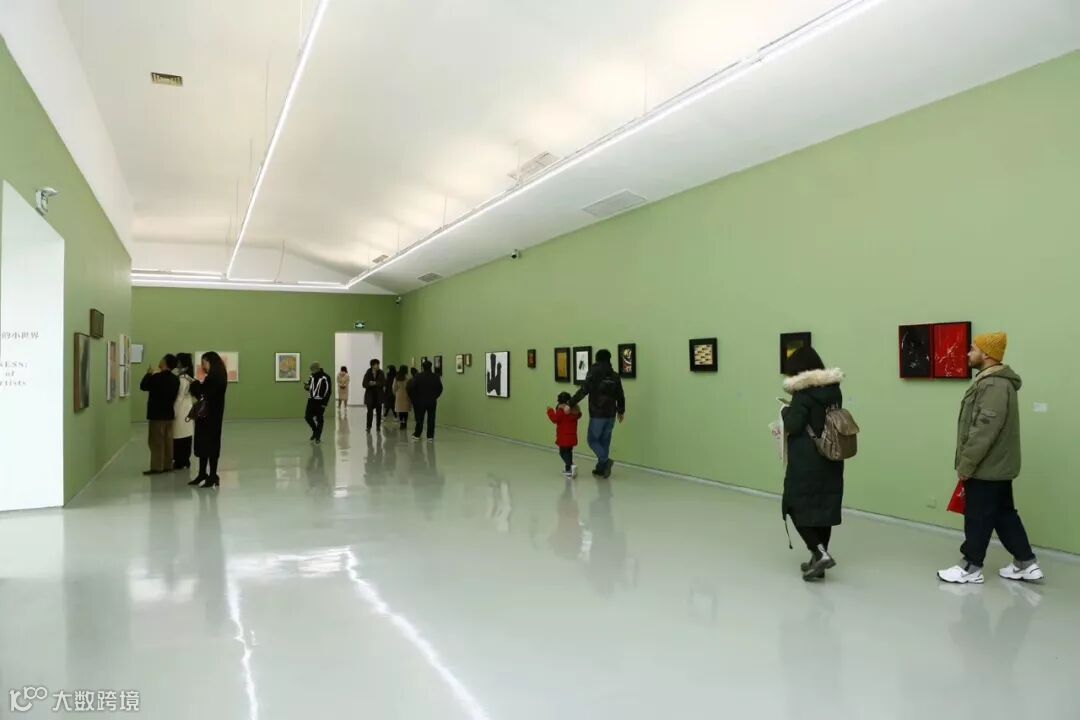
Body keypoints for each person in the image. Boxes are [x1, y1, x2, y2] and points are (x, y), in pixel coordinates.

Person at [938, 333, 1043, 584]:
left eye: (972, 349)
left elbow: (984, 430)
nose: (968, 354)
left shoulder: (994, 385)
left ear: (986, 354)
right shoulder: (992, 382)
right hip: (998, 466)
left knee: (978, 516)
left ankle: (970, 567)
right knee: (1003, 515)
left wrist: (966, 464)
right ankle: (1025, 563)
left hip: (987, 467)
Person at [780, 346, 845, 581]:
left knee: (794, 504)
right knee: (823, 508)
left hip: (807, 460)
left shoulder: (803, 394)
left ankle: (819, 553)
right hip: (831, 456)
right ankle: (819, 559)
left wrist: (785, 411)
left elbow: (794, 425)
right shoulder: (834, 390)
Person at [569, 349, 625, 478]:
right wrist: (621, 411)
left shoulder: (594, 373)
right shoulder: (615, 376)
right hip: (611, 414)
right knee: (605, 441)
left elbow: (584, 390)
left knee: (592, 440)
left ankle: (605, 460)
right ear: (609, 359)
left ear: (597, 359)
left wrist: (571, 403)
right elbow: (620, 395)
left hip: (597, 414)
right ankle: (601, 468)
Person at [189, 352, 228, 488]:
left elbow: (204, 393)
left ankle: (211, 475)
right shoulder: (219, 374)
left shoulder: (214, 377)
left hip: (208, 416)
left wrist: (195, 385)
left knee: (208, 445)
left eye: (204, 362)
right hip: (212, 416)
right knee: (208, 444)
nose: (203, 366)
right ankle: (205, 474)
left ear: (209, 361)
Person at [140, 354, 181, 475]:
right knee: (168, 441)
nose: (160, 360)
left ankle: (157, 467)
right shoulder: (175, 379)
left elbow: (143, 386)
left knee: (156, 442)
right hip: (169, 414)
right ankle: (168, 465)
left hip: (156, 415)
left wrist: (148, 374)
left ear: (165, 363)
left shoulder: (156, 377)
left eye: (162, 359)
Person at [547, 392, 581, 478]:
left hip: (564, 438)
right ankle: (568, 471)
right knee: (568, 452)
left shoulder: (561, 411)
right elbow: (579, 415)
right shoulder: (575, 411)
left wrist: (550, 411)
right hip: (572, 437)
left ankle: (571, 466)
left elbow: (554, 419)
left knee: (562, 453)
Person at [408, 360, 443, 441]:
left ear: (423, 367)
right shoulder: (436, 376)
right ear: (431, 367)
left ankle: (417, 434)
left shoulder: (418, 376)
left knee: (420, 418)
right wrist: (435, 396)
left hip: (420, 401)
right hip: (432, 401)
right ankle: (430, 436)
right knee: (431, 418)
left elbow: (412, 388)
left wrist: (414, 398)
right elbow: (440, 388)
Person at [172, 352, 196, 470]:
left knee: (178, 436)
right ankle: (186, 460)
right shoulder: (189, 377)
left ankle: (179, 461)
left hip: (181, 410)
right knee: (186, 436)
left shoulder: (182, 379)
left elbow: (179, 398)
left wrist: (173, 412)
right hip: (188, 409)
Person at [304, 362, 333, 444]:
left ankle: (318, 437)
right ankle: (315, 431)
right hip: (311, 400)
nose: (311, 371)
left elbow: (328, 391)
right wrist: (306, 387)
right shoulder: (311, 376)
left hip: (320, 401)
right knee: (307, 417)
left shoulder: (326, 377)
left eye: (312, 370)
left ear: (317, 369)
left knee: (319, 419)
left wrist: (324, 403)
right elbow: (308, 386)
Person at [361, 359, 386, 433]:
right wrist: (369, 384)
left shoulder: (381, 373)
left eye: (378, 364)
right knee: (369, 412)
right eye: (376, 364)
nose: (378, 366)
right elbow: (364, 384)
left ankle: (378, 426)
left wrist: (375, 383)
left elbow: (383, 383)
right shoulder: (368, 373)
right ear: (372, 365)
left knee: (379, 412)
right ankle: (368, 427)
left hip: (378, 396)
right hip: (370, 396)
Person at [394, 364, 412, 430]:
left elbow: (394, 387)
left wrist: (395, 393)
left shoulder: (396, 378)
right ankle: (405, 424)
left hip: (399, 396)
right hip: (406, 395)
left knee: (400, 411)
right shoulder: (408, 378)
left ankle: (401, 424)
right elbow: (410, 387)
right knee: (405, 411)